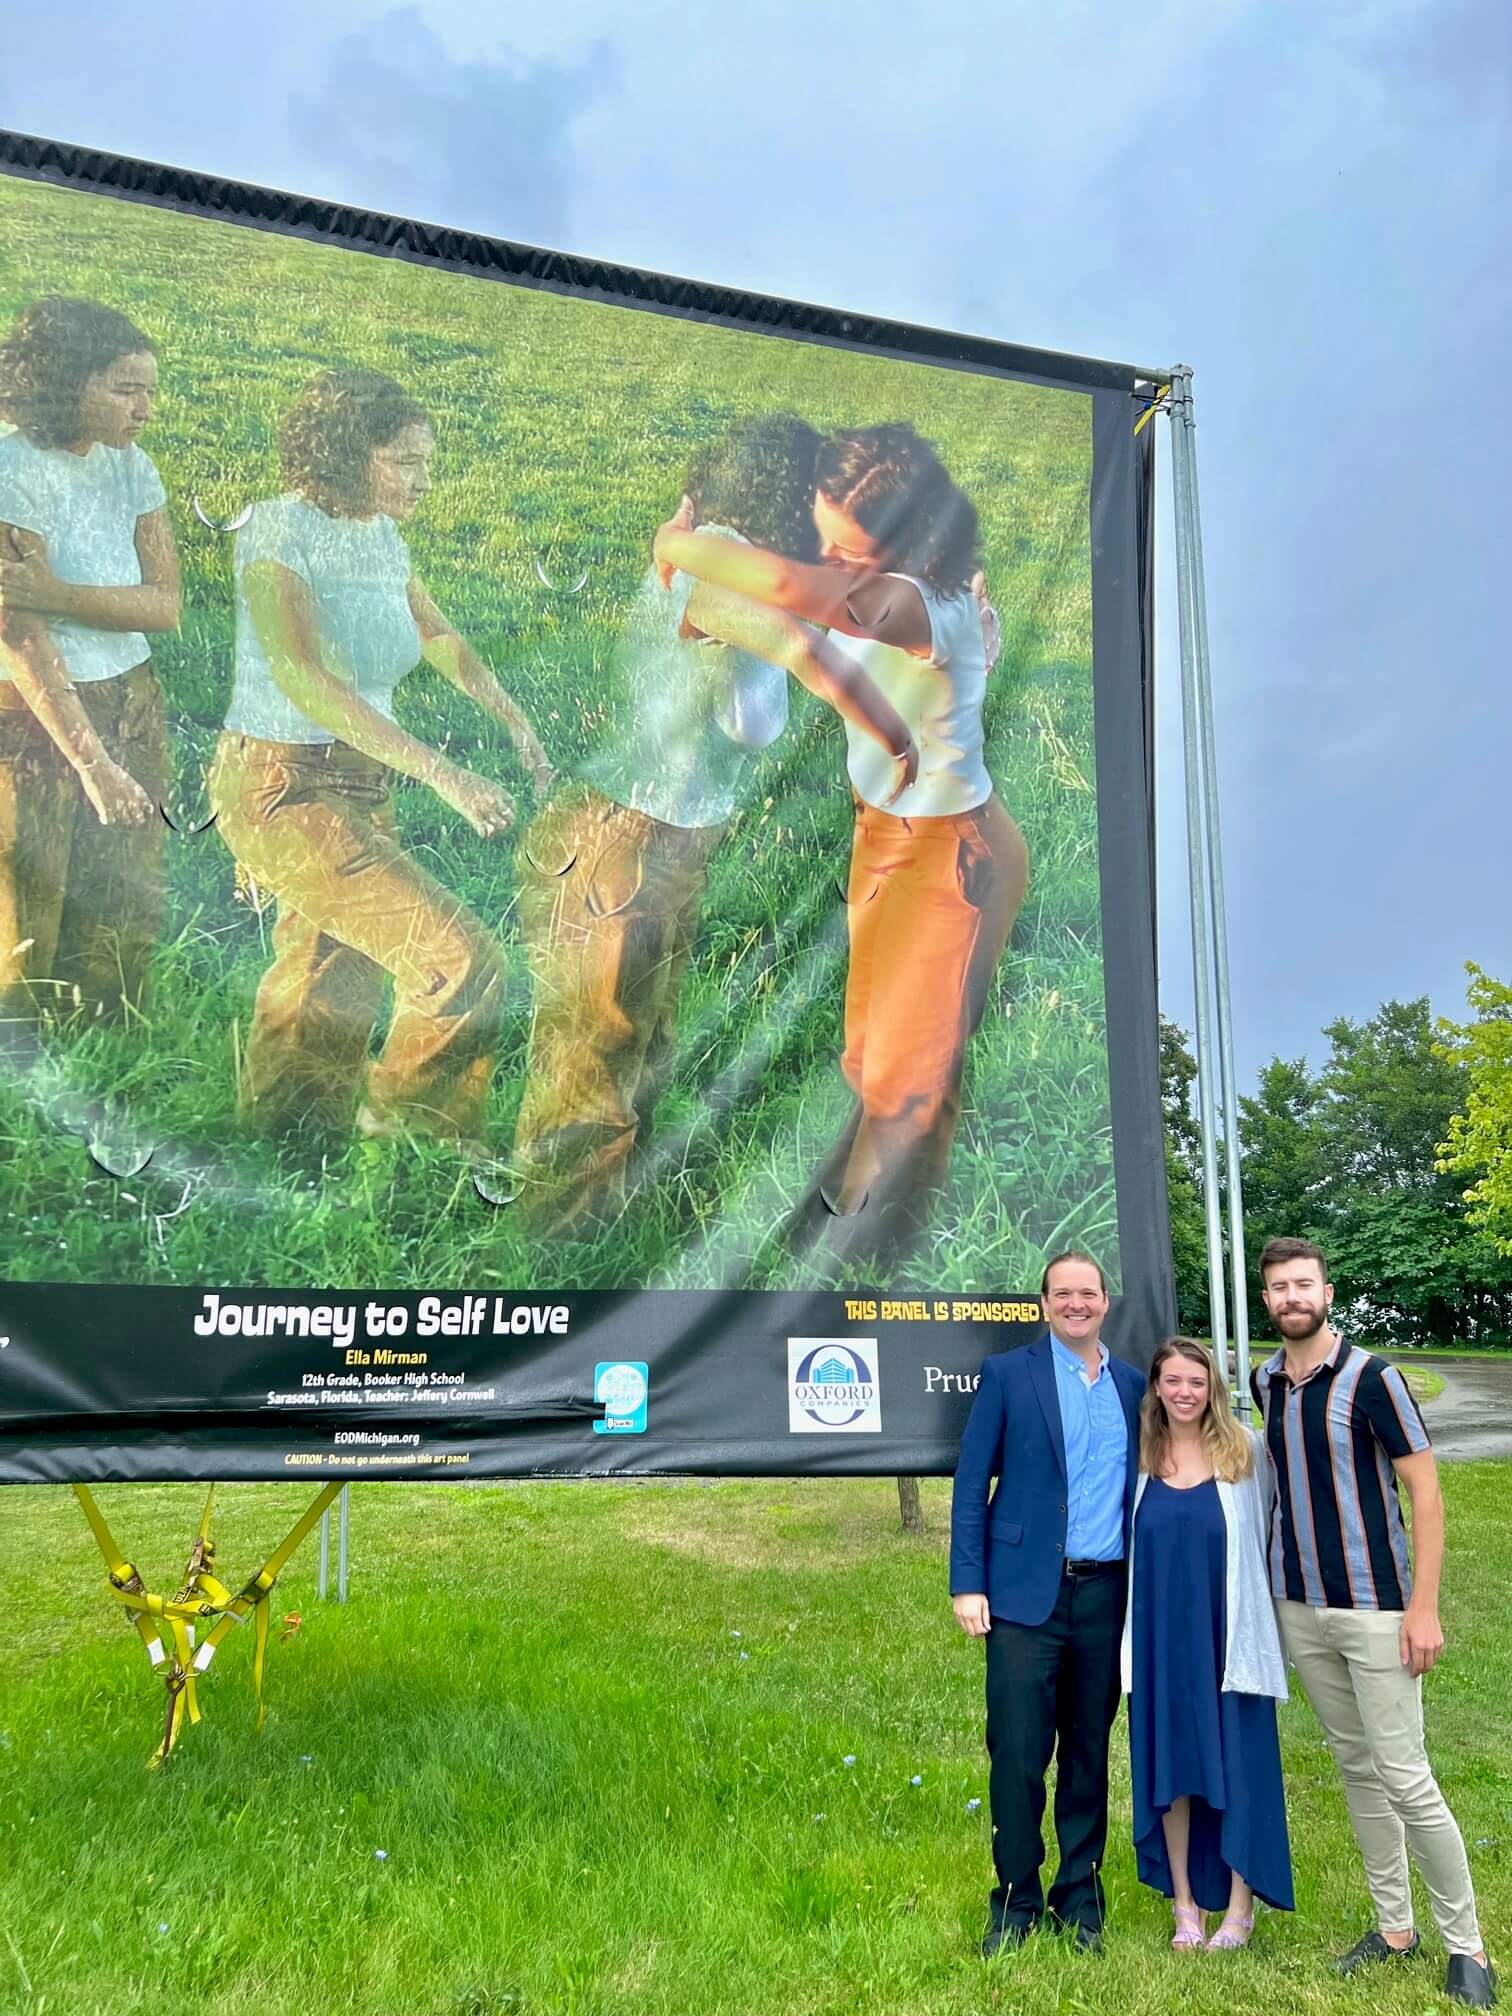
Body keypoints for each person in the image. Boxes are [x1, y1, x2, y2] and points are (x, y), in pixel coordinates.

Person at [513, 412, 918, 1234]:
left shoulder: (729, 558)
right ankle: (550, 1254)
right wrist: (897, 736)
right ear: (787, 497)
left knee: (643, 1043)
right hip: (617, 837)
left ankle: (609, 1232)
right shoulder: (719, 567)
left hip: (672, 840)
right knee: (595, 1053)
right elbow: (806, 652)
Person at [654, 421, 1028, 1267]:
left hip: (943, 852)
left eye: (851, 552)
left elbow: (791, 587)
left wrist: (675, 541)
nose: (834, 561)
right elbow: (757, 607)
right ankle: (867, 1188)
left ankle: (858, 1230)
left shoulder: (918, 605)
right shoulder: (906, 588)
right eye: (827, 540)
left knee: (904, 1073)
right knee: (871, 1043)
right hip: (887, 835)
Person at [209, 367, 550, 1147]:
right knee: (458, 959)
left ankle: (284, 1151)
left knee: (329, 978)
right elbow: (303, 677)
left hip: (359, 780)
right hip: (283, 781)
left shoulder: (380, 534)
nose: (424, 481)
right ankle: (407, 1146)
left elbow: (434, 633)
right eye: (405, 461)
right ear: (343, 453)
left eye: (428, 462)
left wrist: (509, 714)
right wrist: (445, 773)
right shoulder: (277, 531)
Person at [1253, 1236, 1496, 2009]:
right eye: (1279, 1287)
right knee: (1356, 1769)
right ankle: (1395, 1928)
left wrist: (1423, 1608)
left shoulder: (1374, 1379)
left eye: (1304, 1284)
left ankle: (1469, 1946)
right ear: (1267, 1300)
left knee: (1405, 1776)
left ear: (1328, 1292)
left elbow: (1424, 1495)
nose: (1292, 1297)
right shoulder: (1266, 1384)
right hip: (1299, 1604)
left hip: (1379, 1609)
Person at [949, 1251, 1144, 1955]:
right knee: (1018, 1754)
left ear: (1104, 1302)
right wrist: (967, 1582)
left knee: (1089, 1753)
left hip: (1105, 1596)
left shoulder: (1132, 1386)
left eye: (1087, 1292)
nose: (1075, 1303)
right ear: (1043, 1303)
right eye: (1062, 1293)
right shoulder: (1009, 1375)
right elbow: (972, 1483)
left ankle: (1080, 1901)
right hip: (1023, 1598)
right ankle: (1014, 1902)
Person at [0, 296, 179, 1025]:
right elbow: (22, 634)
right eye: (124, 389)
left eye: (150, 392)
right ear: (64, 381)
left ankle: (106, 1057)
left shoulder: (131, 466)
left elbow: (165, 604)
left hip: (132, 699)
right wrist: (91, 763)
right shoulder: (11, 469)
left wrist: (61, 591)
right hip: (32, 718)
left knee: (122, 903)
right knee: (24, 914)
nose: (143, 409)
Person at [1122, 1336, 1293, 1950]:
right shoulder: (1139, 1456)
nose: (1185, 1393)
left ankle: (1240, 1909)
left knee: (1238, 1761)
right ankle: (1186, 1906)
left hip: (1230, 1635)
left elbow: (1270, 1533)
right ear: (1157, 1388)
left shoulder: (1245, 1453)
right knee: (1173, 1765)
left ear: (1214, 1388)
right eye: (1173, 1381)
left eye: (1197, 1382)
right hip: (1161, 1640)